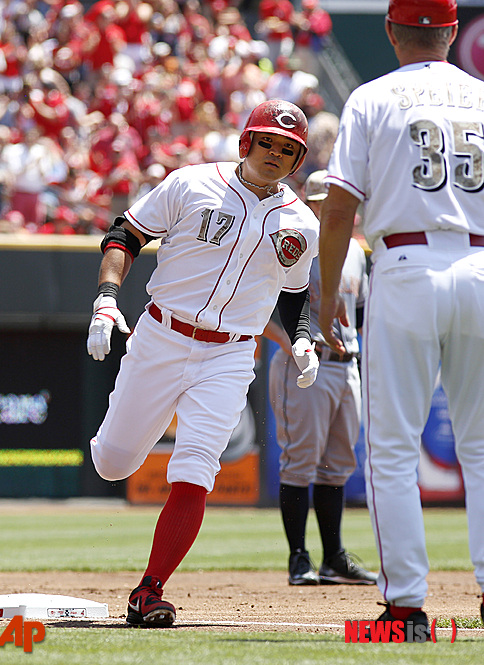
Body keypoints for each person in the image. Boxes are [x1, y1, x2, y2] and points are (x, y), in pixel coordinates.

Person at [86, 99, 320, 628]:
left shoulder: (300, 222)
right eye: (267, 143)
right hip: (162, 335)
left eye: (288, 150)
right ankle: (115, 444)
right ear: (246, 143)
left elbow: (294, 295)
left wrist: (302, 339)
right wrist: (105, 298)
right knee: (114, 463)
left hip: (232, 352)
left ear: (297, 159)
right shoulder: (191, 183)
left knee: (195, 470)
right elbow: (125, 234)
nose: (275, 155)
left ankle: (150, 590)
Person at [318, 0, 484, 639]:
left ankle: (407, 609)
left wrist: (331, 291)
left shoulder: (370, 98)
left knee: (390, 451)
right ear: (450, 31)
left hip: (405, 265)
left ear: (391, 30)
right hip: (478, 265)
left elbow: (338, 211)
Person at [267, 169, 375, 587]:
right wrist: (290, 346)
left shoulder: (354, 252)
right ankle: (299, 559)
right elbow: (261, 310)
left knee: (337, 466)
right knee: (300, 463)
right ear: (310, 203)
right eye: (325, 201)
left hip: (347, 364)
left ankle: (333, 558)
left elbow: (361, 316)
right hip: (305, 364)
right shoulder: (294, 247)